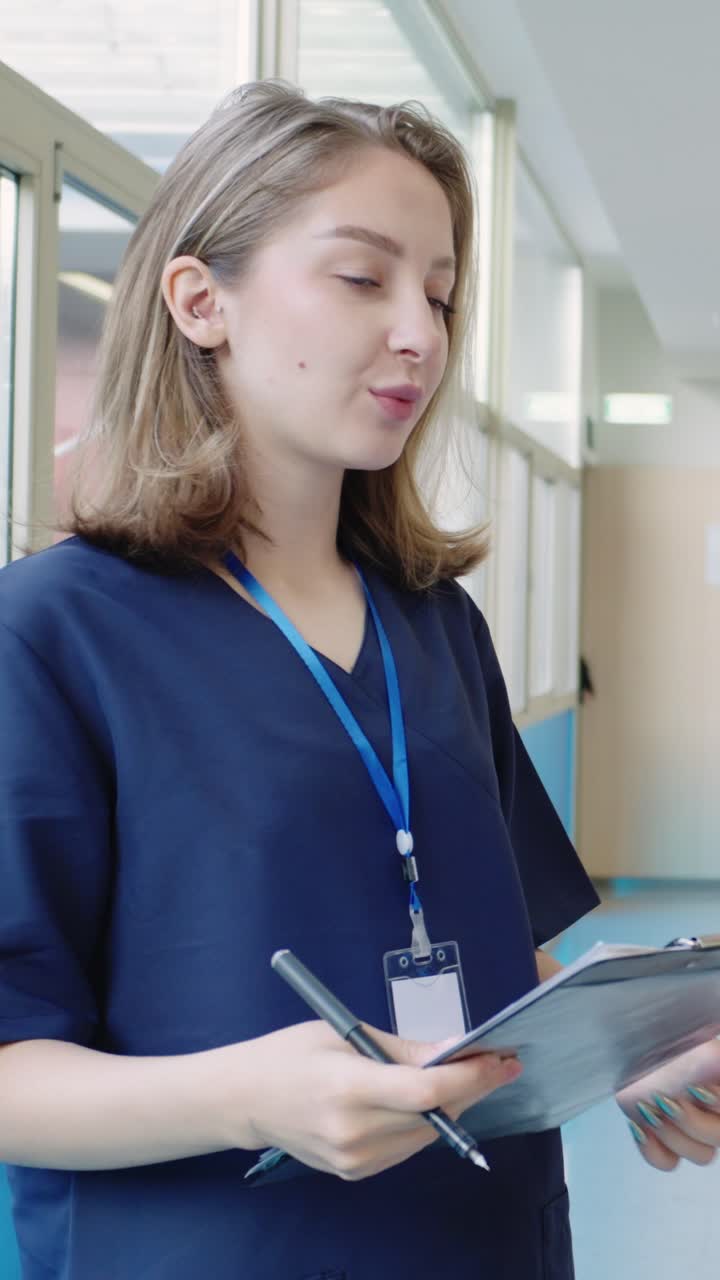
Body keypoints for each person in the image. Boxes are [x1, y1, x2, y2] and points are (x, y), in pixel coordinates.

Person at [0, 79, 718, 1280]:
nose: (421, 334)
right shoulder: (50, 635)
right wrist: (246, 1096)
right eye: (361, 277)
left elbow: (499, 964)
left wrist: (634, 1051)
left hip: (490, 1239)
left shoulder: (436, 626)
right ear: (200, 301)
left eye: (438, 293)